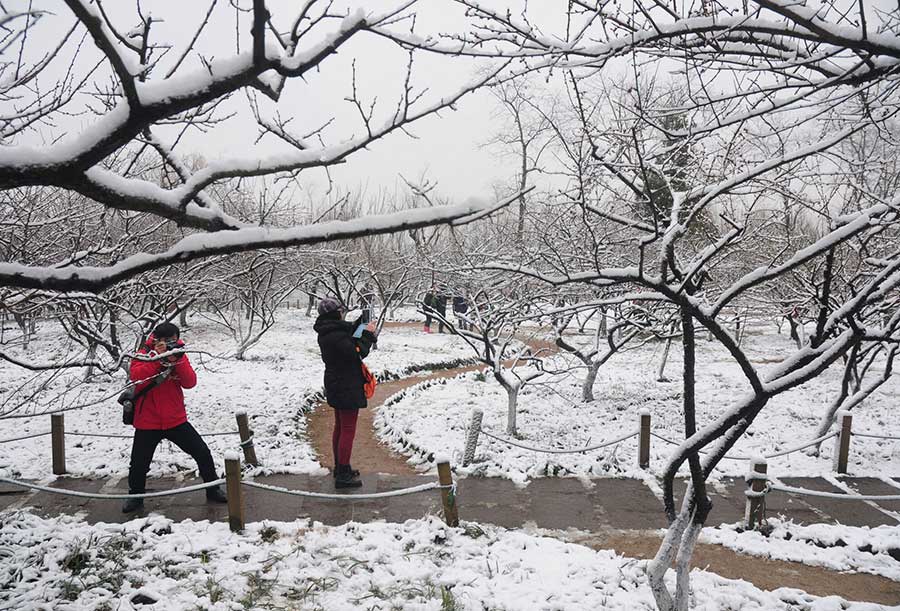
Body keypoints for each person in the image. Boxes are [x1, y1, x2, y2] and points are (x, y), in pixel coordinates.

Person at [123, 322, 227, 513]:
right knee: (138, 463)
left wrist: (177, 360)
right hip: (148, 420)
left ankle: (212, 489)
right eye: (163, 340)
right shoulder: (144, 352)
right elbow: (137, 376)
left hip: (174, 418)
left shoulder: (178, 353)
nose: (168, 343)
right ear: (155, 339)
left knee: (202, 452)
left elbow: (190, 382)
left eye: (171, 340)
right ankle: (135, 497)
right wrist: (156, 358)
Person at [313, 297, 378, 488]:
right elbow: (356, 351)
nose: (343, 313)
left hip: (336, 382)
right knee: (347, 428)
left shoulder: (329, 330)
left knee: (340, 426)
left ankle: (341, 467)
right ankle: (342, 473)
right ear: (335, 313)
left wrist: (360, 326)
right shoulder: (335, 334)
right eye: (340, 310)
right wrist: (368, 334)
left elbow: (349, 334)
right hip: (346, 383)